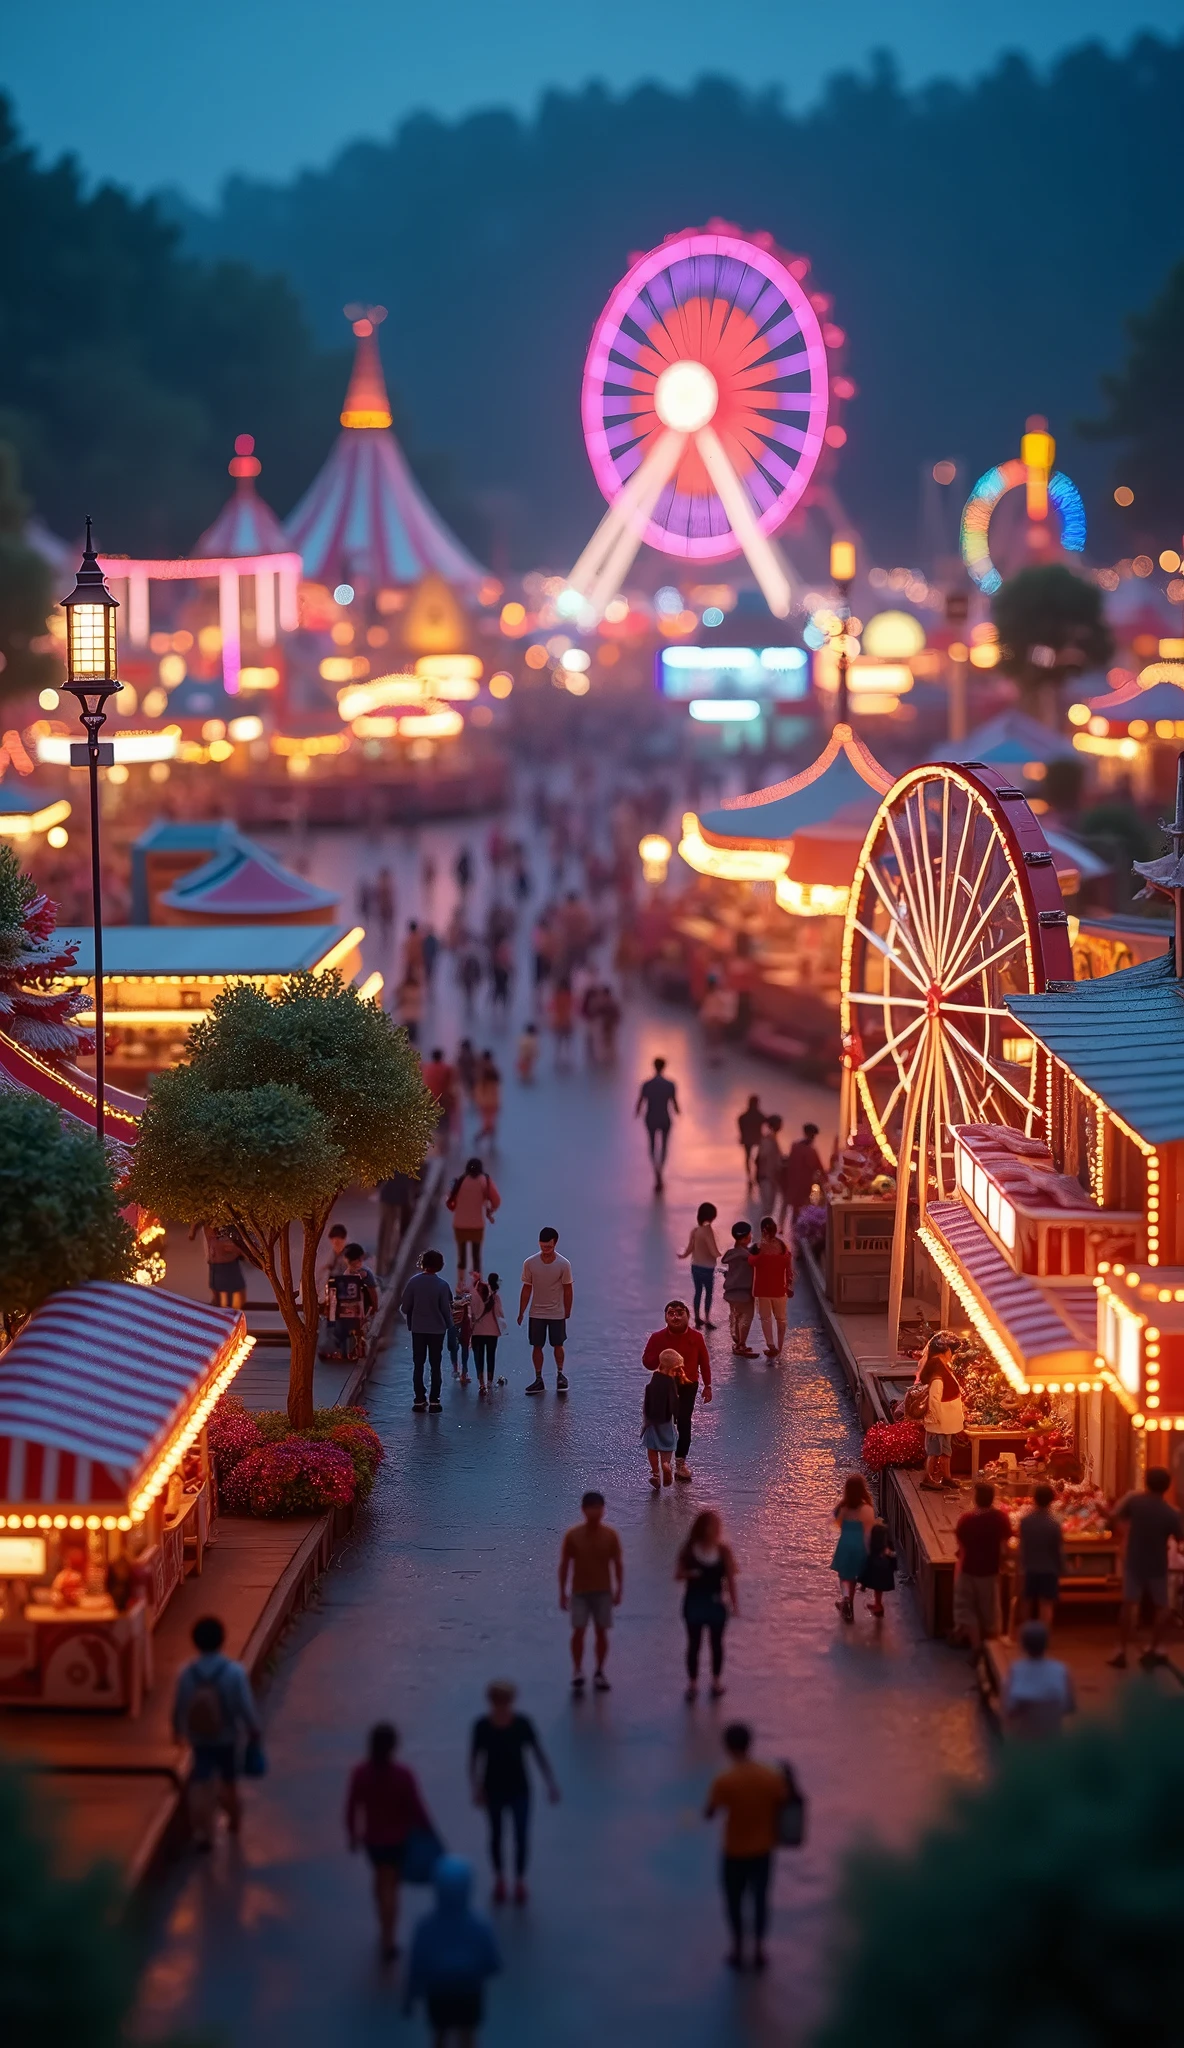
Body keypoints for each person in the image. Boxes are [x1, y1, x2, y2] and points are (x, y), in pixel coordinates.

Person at [345, 1721, 437, 1962]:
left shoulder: (360, 1774)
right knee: (392, 1887)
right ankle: (389, 1938)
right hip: (398, 1839)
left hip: (372, 1840)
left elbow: (352, 1807)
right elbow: (417, 1808)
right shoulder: (403, 1776)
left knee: (379, 1880)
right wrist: (429, 1832)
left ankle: (383, 1924)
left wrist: (352, 1834)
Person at [172, 1615, 262, 1851]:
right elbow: (244, 1705)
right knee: (229, 1781)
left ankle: (204, 1832)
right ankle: (234, 1821)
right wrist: (253, 1728)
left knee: (201, 1781)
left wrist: (177, 1731)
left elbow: (180, 1705)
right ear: (222, 1640)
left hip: (199, 1737)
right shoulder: (234, 1672)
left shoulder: (187, 1673)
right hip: (228, 1737)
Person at [704, 1723, 786, 1972]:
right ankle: (760, 1949)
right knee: (760, 1900)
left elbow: (710, 1812)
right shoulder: (770, 1776)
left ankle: (737, 1948)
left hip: (735, 1852)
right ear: (750, 1744)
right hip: (763, 1850)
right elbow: (783, 1801)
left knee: (734, 1901)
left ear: (728, 1747)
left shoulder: (724, 1781)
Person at [470, 1682, 559, 1903]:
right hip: (498, 1789)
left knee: (519, 1836)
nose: (502, 1706)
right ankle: (501, 1879)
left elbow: (538, 1753)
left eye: (504, 1701)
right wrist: (477, 1788)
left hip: (518, 1789)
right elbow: (474, 1759)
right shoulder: (486, 1726)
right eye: (498, 1702)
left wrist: (550, 1783)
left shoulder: (519, 1725)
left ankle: (518, 1881)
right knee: (497, 1835)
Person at [404, 1856, 500, 2044]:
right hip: (469, 1991)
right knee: (468, 2035)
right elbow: (492, 1963)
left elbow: (417, 1964)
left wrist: (410, 1998)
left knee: (439, 2033)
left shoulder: (425, 1927)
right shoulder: (480, 1925)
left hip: (438, 1993)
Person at [1108, 1465, 1184, 1669]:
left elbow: (1114, 1517)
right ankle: (1155, 1647)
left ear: (1146, 1482)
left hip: (1134, 1559)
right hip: (1158, 1562)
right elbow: (1180, 1539)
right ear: (1167, 1487)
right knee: (1163, 1606)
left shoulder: (1134, 1500)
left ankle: (1121, 1650)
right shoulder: (1171, 1512)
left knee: (1129, 1603)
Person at [559, 1491, 623, 1693]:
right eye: (591, 1508)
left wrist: (618, 1589)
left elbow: (618, 1563)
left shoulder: (610, 1536)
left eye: (598, 1508)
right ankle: (577, 1669)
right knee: (579, 1630)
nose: (595, 1512)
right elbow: (565, 1564)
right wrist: (563, 1591)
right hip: (580, 1592)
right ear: (583, 1510)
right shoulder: (573, 1535)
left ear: (603, 1510)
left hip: (603, 1591)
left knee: (601, 1632)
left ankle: (599, 1671)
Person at [641, 1300, 712, 1483]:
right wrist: (662, 1359)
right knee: (659, 1422)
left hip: (688, 1385)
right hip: (663, 1385)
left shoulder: (696, 1338)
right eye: (671, 1313)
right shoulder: (657, 1338)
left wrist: (708, 1386)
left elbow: (704, 1362)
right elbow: (647, 1362)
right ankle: (659, 1467)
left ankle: (679, 1462)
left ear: (688, 1316)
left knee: (684, 1423)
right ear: (665, 1317)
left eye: (680, 1313)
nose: (675, 1317)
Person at [677, 1510, 739, 1701]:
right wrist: (691, 1574)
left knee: (716, 1644)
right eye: (710, 1526)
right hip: (694, 1601)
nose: (714, 1530)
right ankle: (693, 1683)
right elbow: (678, 1575)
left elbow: (730, 1579)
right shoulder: (689, 1550)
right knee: (694, 1644)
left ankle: (715, 1681)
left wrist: (734, 1603)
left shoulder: (723, 1551)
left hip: (715, 1602)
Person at [953, 1480, 1014, 1656]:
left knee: (966, 1609)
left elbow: (960, 1546)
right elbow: (1005, 1545)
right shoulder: (1000, 1518)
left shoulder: (966, 1520)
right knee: (991, 1612)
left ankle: (976, 1646)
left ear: (976, 1499)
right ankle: (992, 1651)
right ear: (992, 1499)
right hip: (990, 1571)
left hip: (968, 1569)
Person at [518, 1227, 573, 1394]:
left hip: (556, 1312)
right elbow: (527, 1288)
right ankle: (538, 1378)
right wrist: (521, 1311)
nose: (546, 1250)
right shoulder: (530, 1263)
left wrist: (567, 1310)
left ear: (555, 1243)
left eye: (548, 1247)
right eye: (543, 1247)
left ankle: (560, 1374)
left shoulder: (563, 1264)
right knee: (537, 1345)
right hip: (537, 1312)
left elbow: (568, 1288)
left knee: (558, 1344)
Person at [1001, 1621, 1076, 1738]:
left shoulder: (1016, 1670)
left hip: (1024, 1738)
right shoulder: (1061, 1670)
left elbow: (1009, 1708)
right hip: (1053, 1736)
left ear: (1023, 1645)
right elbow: (1069, 1707)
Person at [401, 1249, 454, 1412]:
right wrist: (450, 1326)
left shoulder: (413, 1282)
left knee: (418, 1364)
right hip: (437, 1331)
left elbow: (405, 1307)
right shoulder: (442, 1285)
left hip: (418, 1329)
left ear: (422, 1263)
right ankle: (434, 1400)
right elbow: (447, 1310)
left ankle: (418, 1399)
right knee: (435, 1364)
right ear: (440, 1266)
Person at [915, 1332, 966, 1492]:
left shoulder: (941, 1367)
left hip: (945, 1420)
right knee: (935, 1451)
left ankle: (946, 1477)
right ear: (945, 1351)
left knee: (944, 1450)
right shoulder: (938, 1372)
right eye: (952, 1351)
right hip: (940, 1420)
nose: (953, 1355)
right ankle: (928, 1478)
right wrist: (934, 1418)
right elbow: (934, 1399)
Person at [1018, 1482, 1065, 1628]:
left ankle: (1025, 1634)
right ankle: (1044, 1636)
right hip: (1049, 1569)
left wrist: (1020, 1566)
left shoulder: (1026, 1522)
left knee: (1026, 1601)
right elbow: (1058, 1549)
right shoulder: (1055, 1524)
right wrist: (1062, 1567)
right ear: (1051, 1500)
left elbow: (1022, 1547)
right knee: (1046, 1605)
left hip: (1029, 1568)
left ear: (1034, 1498)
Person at [831, 1473, 876, 1623]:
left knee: (844, 1576)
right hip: (859, 1546)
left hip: (845, 1545)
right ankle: (848, 1603)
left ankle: (845, 1600)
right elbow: (868, 1533)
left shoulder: (841, 1509)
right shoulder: (867, 1509)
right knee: (854, 1577)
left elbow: (838, 1524)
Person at [446, 1158, 501, 1282]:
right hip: (477, 1224)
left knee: (461, 1256)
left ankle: (460, 1283)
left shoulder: (459, 1180)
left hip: (459, 1224)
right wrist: (490, 1210)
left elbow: (449, 1199)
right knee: (476, 1256)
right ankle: (476, 1283)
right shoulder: (485, 1181)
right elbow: (496, 1200)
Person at [749, 1216, 792, 1363]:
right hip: (780, 1289)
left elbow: (752, 1261)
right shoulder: (782, 1246)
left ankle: (771, 1345)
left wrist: (760, 1251)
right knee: (781, 1319)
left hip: (763, 1290)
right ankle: (779, 1348)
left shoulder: (760, 1247)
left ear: (763, 1230)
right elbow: (788, 1266)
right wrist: (789, 1283)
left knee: (766, 1318)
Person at [327, 1243, 379, 1363]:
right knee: (357, 1330)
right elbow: (372, 1291)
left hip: (351, 1309)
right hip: (355, 1309)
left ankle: (352, 1350)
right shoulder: (360, 1273)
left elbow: (372, 1291)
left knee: (353, 1330)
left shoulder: (352, 1273)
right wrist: (375, 1307)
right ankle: (355, 1350)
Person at [635, 1056, 679, 1192]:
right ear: (664, 1067)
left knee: (652, 1144)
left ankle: (656, 1170)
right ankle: (661, 1168)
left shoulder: (646, 1084)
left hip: (651, 1117)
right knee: (664, 1145)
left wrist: (636, 1112)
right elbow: (675, 1104)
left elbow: (640, 1102)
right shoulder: (670, 1084)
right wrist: (678, 1111)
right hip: (665, 1117)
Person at [641, 1349, 680, 1489]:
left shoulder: (654, 1380)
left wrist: (646, 1418)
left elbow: (648, 1398)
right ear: (672, 1369)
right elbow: (673, 1402)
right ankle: (666, 1465)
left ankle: (656, 1474)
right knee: (667, 1446)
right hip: (665, 1420)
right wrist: (677, 1415)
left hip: (652, 1420)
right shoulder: (670, 1383)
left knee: (652, 1448)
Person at [679, 1201, 721, 1328]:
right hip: (707, 1268)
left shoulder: (696, 1231)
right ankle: (707, 1319)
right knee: (708, 1293)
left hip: (695, 1266)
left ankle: (697, 1317)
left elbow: (690, 1248)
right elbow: (713, 1250)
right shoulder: (708, 1231)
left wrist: (683, 1255)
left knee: (698, 1292)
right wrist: (720, 1254)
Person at [721, 1222, 759, 1358]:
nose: (751, 1237)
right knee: (746, 1318)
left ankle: (736, 1339)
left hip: (731, 1292)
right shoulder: (749, 1257)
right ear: (745, 1238)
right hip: (745, 1292)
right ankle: (741, 1345)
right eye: (749, 1235)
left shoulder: (731, 1254)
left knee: (736, 1315)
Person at [779, 1123, 826, 1229]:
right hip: (802, 1186)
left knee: (795, 1209)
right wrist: (826, 1181)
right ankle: (796, 1231)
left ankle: (790, 1228)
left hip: (794, 1184)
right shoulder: (810, 1151)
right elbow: (819, 1168)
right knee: (800, 1209)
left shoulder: (795, 1147)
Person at [377, 1169, 420, 1278]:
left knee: (387, 1233)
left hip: (392, 1195)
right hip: (400, 1197)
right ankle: (386, 1264)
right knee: (393, 1233)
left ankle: (383, 1266)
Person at [470, 1275, 505, 1395]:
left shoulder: (474, 1300)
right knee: (490, 1356)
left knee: (478, 1358)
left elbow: (471, 1314)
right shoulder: (495, 1298)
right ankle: (489, 1381)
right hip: (492, 1331)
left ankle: (481, 1384)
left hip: (477, 1332)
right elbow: (499, 1313)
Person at [198, 1223, 246, 1310]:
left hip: (226, 1265)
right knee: (223, 1295)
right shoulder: (214, 1233)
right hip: (221, 1265)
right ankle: (226, 1314)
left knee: (233, 1294)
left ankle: (229, 1313)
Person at [858, 1521, 897, 1619]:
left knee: (877, 1587)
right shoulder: (887, 1552)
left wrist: (863, 1586)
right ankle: (878, 1605)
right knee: (878, 1589)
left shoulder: (873, 1557)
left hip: (878, 1574)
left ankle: (878, 1606)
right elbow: (894, 1562)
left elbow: (865, 1572)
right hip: (885, 1574)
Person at [421, 1047, 458, 1147]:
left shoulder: (427, 1068)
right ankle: (443, 1144)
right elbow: (451, 1086)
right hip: (443, 1101)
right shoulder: (447, 1069)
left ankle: (435, 1143)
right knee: (444, 1124)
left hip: (429, 1101)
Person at [754, 1114, 783, 1218]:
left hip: (770, 1177)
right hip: (767, 1177)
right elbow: (762, 1158)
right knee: (767, 1208)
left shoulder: (771, 1138)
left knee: (769, 1207)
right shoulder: (768, 1140)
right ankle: (761, 1231)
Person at [473, 1053, 501, 1144]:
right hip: (492, 1101)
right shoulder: (493, 1069)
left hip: (484, 1101)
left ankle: (481, 1138)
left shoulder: (480, 1070)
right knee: (490, 1124)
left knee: (488, 1124)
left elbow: (479, 1087)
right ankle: (488, 1141)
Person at [737, 1097, 765, 1187]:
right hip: (756, 1139)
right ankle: (754, 1176)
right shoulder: (759, 1115)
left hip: (748, 1139)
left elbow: (740, 1127)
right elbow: (767, 1121)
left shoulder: (743, 1116)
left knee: (748, 1158)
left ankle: (750, 1177)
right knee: (757, 1158)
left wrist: (742, 1135)